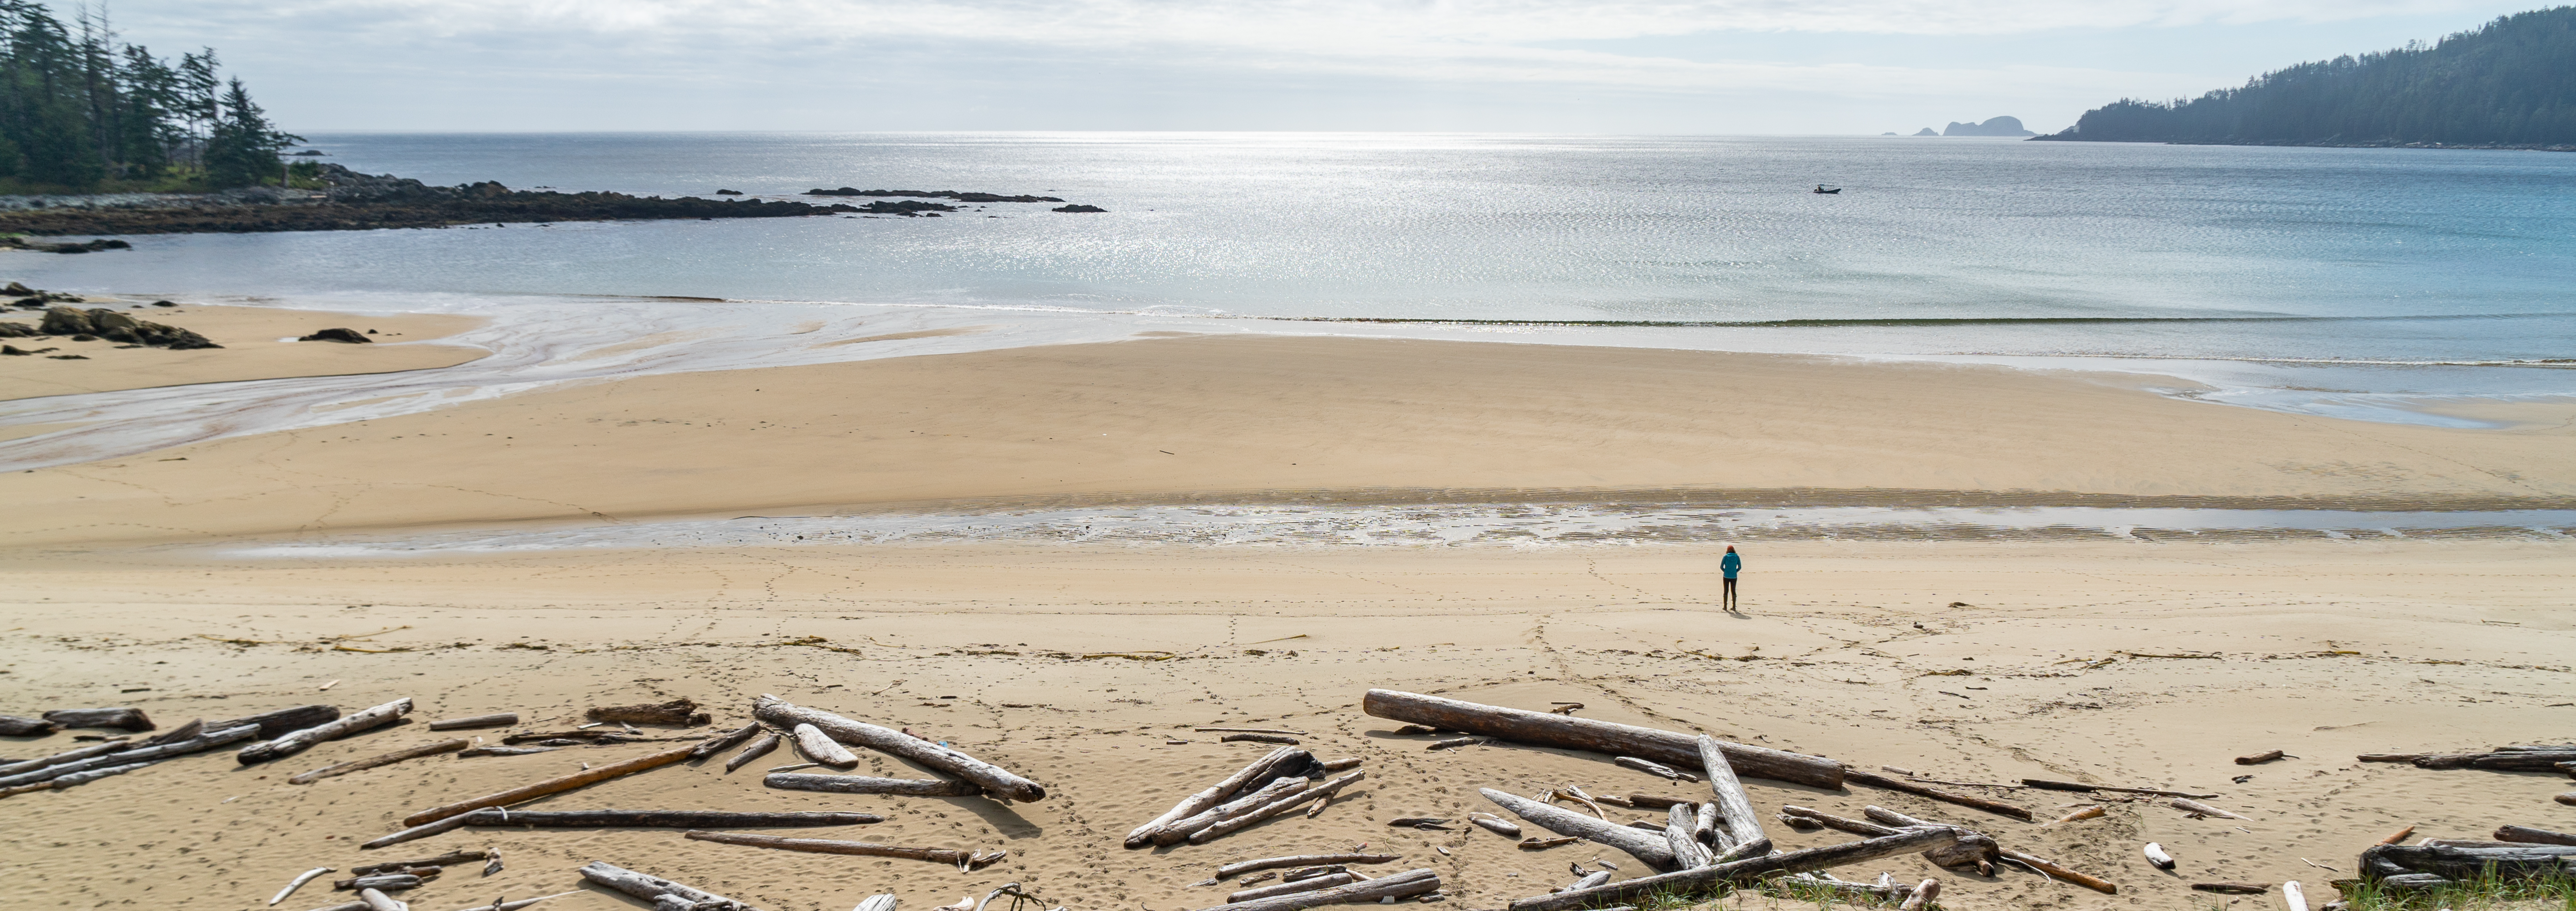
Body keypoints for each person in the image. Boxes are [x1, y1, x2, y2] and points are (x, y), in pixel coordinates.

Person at [1720, 545, 1742, 611]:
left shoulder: (1725, 557)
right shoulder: (1737, 557)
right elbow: (1740, 567)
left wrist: (1726, 571)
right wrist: (1735, 571)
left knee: (1726, 591)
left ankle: (1725, 607)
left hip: (1726, 576)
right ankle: (1734, 607)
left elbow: (1721, 567)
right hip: (1734, 576)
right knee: (1733, 591)